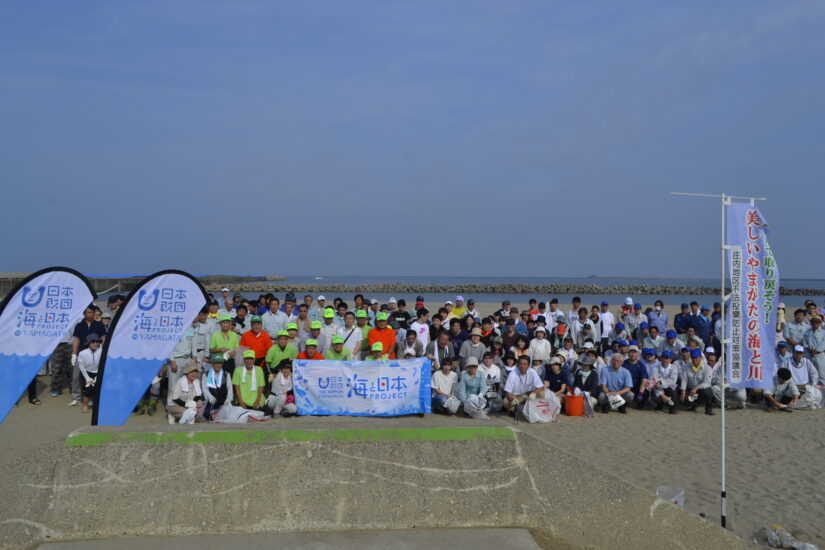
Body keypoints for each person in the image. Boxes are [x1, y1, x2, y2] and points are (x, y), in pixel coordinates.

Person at [69, 305, 107, 407]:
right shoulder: (79, 325)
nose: (90, 314)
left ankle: (92, 398)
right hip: (81, 353)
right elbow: (76, 339)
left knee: (95, 377)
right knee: (76, 376)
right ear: (84, 314)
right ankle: (76, 397)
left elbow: (103, 338)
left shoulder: (99, 325)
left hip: (96, 354)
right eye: (87, 312)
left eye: (91, 312)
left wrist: (103, 350)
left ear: (95, 313)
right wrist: (74, 353)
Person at [167, 360, 204, 424]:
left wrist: (192, 404)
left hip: (188, 403)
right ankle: (171, 414)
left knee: (199, 403)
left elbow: (198, 395)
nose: (194, 374)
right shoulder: (180, 381)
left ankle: (191, 415)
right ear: (187, 372)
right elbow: (175, 399)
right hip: (175, 404)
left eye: (195, 371)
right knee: (189, 414)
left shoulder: (196, 381)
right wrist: (187, 405)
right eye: (191, 371)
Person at [679, 348, 714, 415]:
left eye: (696, 358)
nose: (694, 360)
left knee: (708, 391)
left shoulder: (707, 368)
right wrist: (683, 392)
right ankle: (693, 405)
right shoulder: (685, 367)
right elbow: (684, 380)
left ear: (700, 357)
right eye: (693, 358)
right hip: (690, 389)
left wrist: (696, 388)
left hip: (700, 390)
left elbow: (707, 383)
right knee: (680, 393)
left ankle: (708, 408)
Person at [787, 344, 821, 409]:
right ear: (793, 353)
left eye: (800, 353)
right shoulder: (787, 361)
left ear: (802, 354)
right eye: (796, 352)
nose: (798, 355)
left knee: (816, 395)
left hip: (805, 387)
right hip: (792, 387)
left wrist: (814, 384)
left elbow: (814, 373)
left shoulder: (807, 361)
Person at [76, 333, 102, 413]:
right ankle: (85, 405)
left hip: (98, 372)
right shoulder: (82, 353)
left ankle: (97, 403)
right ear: (89, 343)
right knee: (89, 389)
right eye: (93, 342)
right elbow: (81, 367)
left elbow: (103, 364)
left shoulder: (102, 351)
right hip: (86, 373)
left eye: (97, 342)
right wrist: (87, 378)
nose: (95, 344)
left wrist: (99, 375)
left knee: (100, 389)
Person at [202, 353, 233, 420]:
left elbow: (230, 388)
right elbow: (204, 388)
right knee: (207, 414)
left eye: (220, 363)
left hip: (223, 401)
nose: (218, 365)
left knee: (228, 414)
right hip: (212, 401)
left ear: (222, 364)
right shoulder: (206, 374)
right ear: (212, 364)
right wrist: (210, 397)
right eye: (216, 363)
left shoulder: (226, 374)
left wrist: (228, 399)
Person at [803, 315, 825, 381]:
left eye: (817, 322)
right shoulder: (807, 331)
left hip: (819, 355)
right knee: (809, 372)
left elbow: (823, 343)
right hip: (808, 353)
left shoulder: (823, 332)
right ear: (811, 323)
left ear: (820, 323)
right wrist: (809, 348)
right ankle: (811, 388)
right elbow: (804, 341)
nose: (815, 323)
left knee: (821, 373)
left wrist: (815, 351)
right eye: (813, 322)